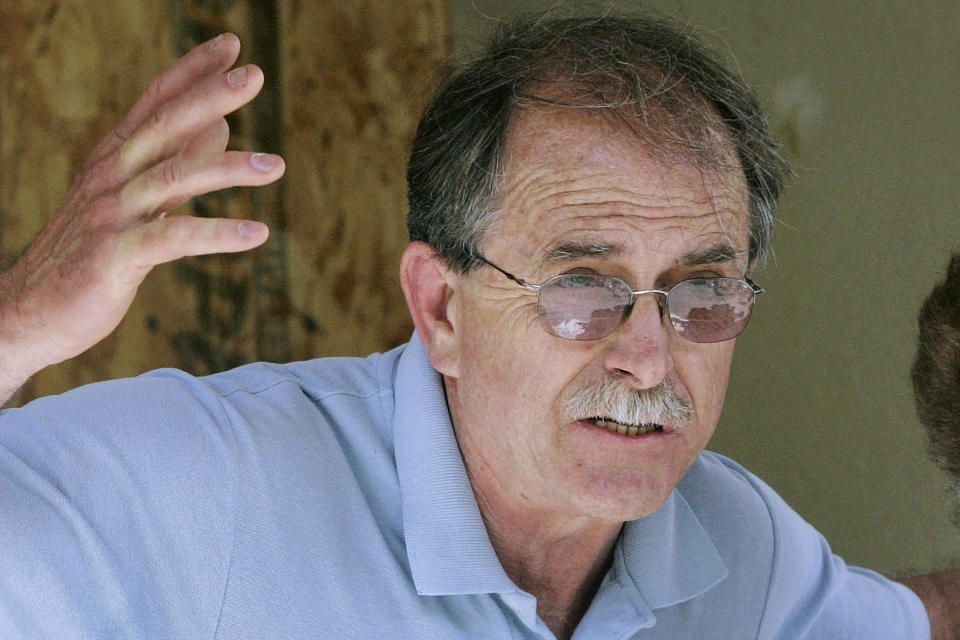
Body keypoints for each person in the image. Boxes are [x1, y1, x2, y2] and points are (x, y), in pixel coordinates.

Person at [0, 12, 957, 639]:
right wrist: (20, 322)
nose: (648, 356)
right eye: (585, 285)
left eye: (703, 289)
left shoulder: (733, 548)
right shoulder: (215, 483)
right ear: (441, 309)